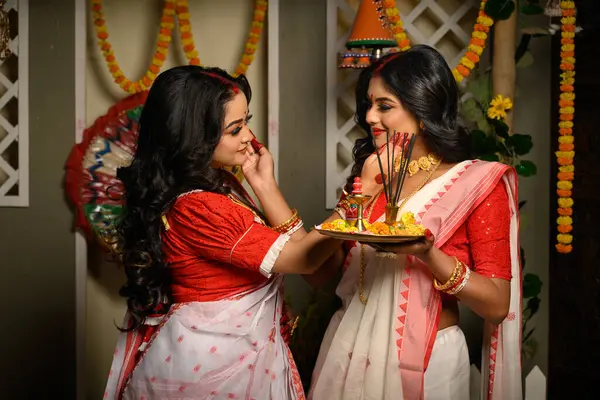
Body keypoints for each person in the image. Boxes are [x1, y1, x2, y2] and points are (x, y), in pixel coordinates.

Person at [103, 65, 342, 399]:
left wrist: (265, 185)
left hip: (233, 360)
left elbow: (317, 267)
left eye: (246, 121)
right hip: (213, 370)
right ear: (195, 138)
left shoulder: (221, 185)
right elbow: (305, 260)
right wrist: (355, 207)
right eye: (235, 129)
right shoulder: (198, 207)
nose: (248, 136)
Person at [308, 45, 522, 400]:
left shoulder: (476, 184)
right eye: (369, 105)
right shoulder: (371, 175)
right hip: (347, 349)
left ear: (423, 109)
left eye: (384, 106)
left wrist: (428, 254)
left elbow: (498, 305)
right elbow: (316, 275)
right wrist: (363, 191)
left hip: (428, 362)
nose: (370, 117)